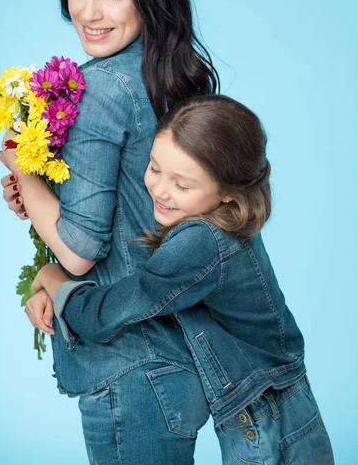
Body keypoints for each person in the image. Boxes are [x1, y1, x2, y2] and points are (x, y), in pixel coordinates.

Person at [0, 0, 220, 465]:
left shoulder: (97, 88)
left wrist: (19, 161)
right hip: (176, 359)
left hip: (128, 368)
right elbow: (139, 215)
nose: (89, 13)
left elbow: (77, 251)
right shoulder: (165, 73)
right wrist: (44, 193)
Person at [30, 95, 335, 465]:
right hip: (284, 405)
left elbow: (103, 316)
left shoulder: (201, 243)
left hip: (270, 425)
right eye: (155, 168)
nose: (159, 190)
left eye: (182, 184)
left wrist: (50, 276)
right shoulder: (226, 223)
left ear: (227, 192)